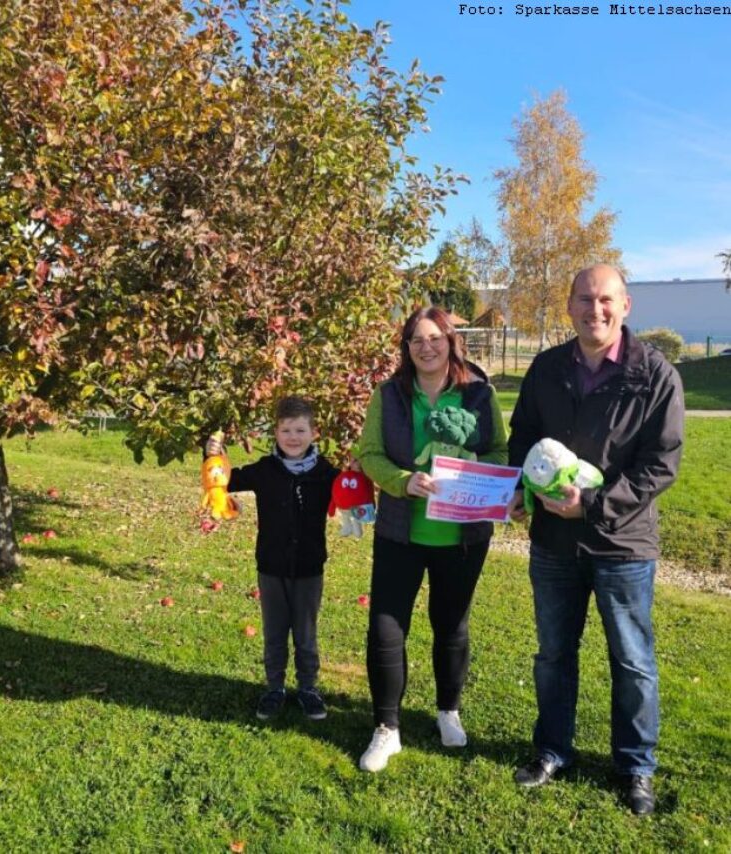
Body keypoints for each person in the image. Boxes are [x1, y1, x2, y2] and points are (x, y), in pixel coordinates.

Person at [507, 264, 684, 816]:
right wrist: (520, 486)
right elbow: (522, 437)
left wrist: (595, 505)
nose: (595, 309)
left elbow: (662, 464)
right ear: (568, 306)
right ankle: (553, 750)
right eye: (584, 299)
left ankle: (635, 768)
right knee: (554, 655)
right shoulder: (546, 368)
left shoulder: (654, 374)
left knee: (632, 661)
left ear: (626, 306)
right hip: (554, 543)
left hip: (622, 545)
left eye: (605, 299)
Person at [356, 306, 508, 772]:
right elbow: (370, 454)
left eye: (435, 338)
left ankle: (448, 711)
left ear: (451, 341)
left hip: (463, 537)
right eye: (416, 339)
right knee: (386, 629)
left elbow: (500, 450)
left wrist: (480, 478)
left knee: (451, 626)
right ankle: (387, 728)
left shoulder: (480, 395)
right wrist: (403, 480)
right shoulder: (389, 395)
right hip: (402, 532)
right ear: (406, 347)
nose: (426, 347)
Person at [206, 396, 339, 721]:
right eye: (285, 430)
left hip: (309, 568)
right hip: (271, 566)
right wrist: (211, 454)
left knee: (306, 634)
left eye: (300, 430)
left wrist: (361, 472)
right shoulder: (265, 470)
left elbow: (353, 490)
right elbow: (226, 479)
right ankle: (274, 688)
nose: (293, 437)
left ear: (314, 433)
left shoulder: (326, 473)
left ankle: (308, 688)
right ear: (275, 434)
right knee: (275, 632)